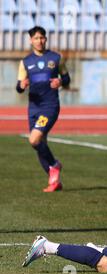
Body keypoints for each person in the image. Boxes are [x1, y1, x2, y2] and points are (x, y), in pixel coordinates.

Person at [16, 26, 71, 192]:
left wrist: (61, 82)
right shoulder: (25, 62)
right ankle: (54, 181)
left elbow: (67, 78)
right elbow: (18, 87)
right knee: (40, 144)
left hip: (50, 106)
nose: (39, 41)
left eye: (42, 38)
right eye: (36, 38)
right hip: (33, 107)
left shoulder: (56, 58)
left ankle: (54, 165)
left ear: (45, 39)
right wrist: (22, 85)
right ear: (31, 40)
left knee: (34, 139)